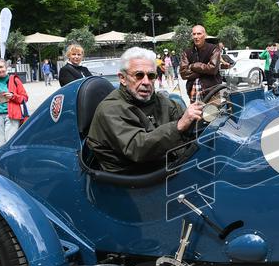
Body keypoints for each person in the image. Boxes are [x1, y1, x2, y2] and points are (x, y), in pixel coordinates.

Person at [87, 47, 204, 175]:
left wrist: (203, 119)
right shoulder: (110, 110)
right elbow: (137, 148)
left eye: (151, 76)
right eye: (139, 75)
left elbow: (187, 123)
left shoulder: (160, 101)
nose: (146, 82)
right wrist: (179, 126)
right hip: (134, 180)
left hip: (164, 168)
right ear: (122, 78)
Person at [178, 25, 221, 99]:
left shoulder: (214, 49)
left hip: (212, 92)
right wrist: (205, 70)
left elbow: (213, 69)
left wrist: (193, 66)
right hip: (193, 92)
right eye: (194, 34)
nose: (196, 36)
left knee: (213, 111)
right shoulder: (187, 52)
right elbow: (183, 74)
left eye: (199, 33)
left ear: (205, 35)